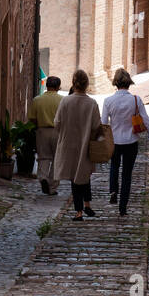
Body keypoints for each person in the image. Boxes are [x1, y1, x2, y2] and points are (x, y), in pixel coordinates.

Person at [101, 68, 149, 217]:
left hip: (115, 141)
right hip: (131, 141)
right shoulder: (136, 100)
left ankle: (113, 190)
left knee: (114, 165)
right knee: (126, 174)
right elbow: (146, 121)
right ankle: (123, 207)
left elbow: (104, 124)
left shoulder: (108, 101)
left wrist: (102, 141)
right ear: (129, 83)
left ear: (115, 83)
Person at [54, 69, 103, 221]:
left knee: (75, 178)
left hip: (69, 144)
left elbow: (57, 123)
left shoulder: (65, 101)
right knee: (83, 174)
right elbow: (96, 126)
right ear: (87, 84)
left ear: (73, 83)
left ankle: (79, 211)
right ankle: (86, 205)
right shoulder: (92, 103)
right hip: (85, 144)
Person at [27, 76, 63, 195]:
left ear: (47, 86)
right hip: (58, 132)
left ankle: (43, 177)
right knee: (57, 159)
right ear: (58, 87)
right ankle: (52, 186)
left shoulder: (37, 100)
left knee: (43, 157)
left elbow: (32, 119)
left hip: (42, 131)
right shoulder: (62, 100)